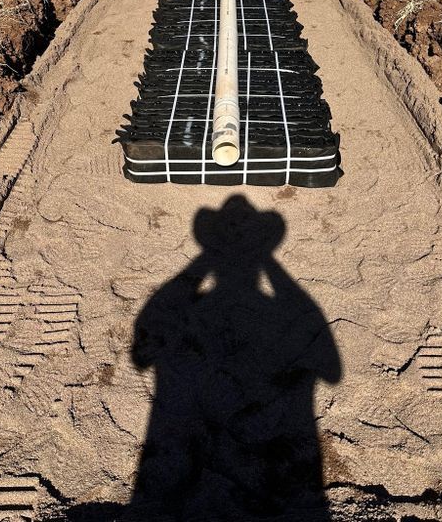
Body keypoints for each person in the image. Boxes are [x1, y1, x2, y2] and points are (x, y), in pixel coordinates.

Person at [130, 195, 341, 520]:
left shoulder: (195, 312)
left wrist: (205, 258)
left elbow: (147, 341)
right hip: (268, 464)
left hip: (193, 454)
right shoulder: (275, 312)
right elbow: (329, 365)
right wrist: (268, 260)